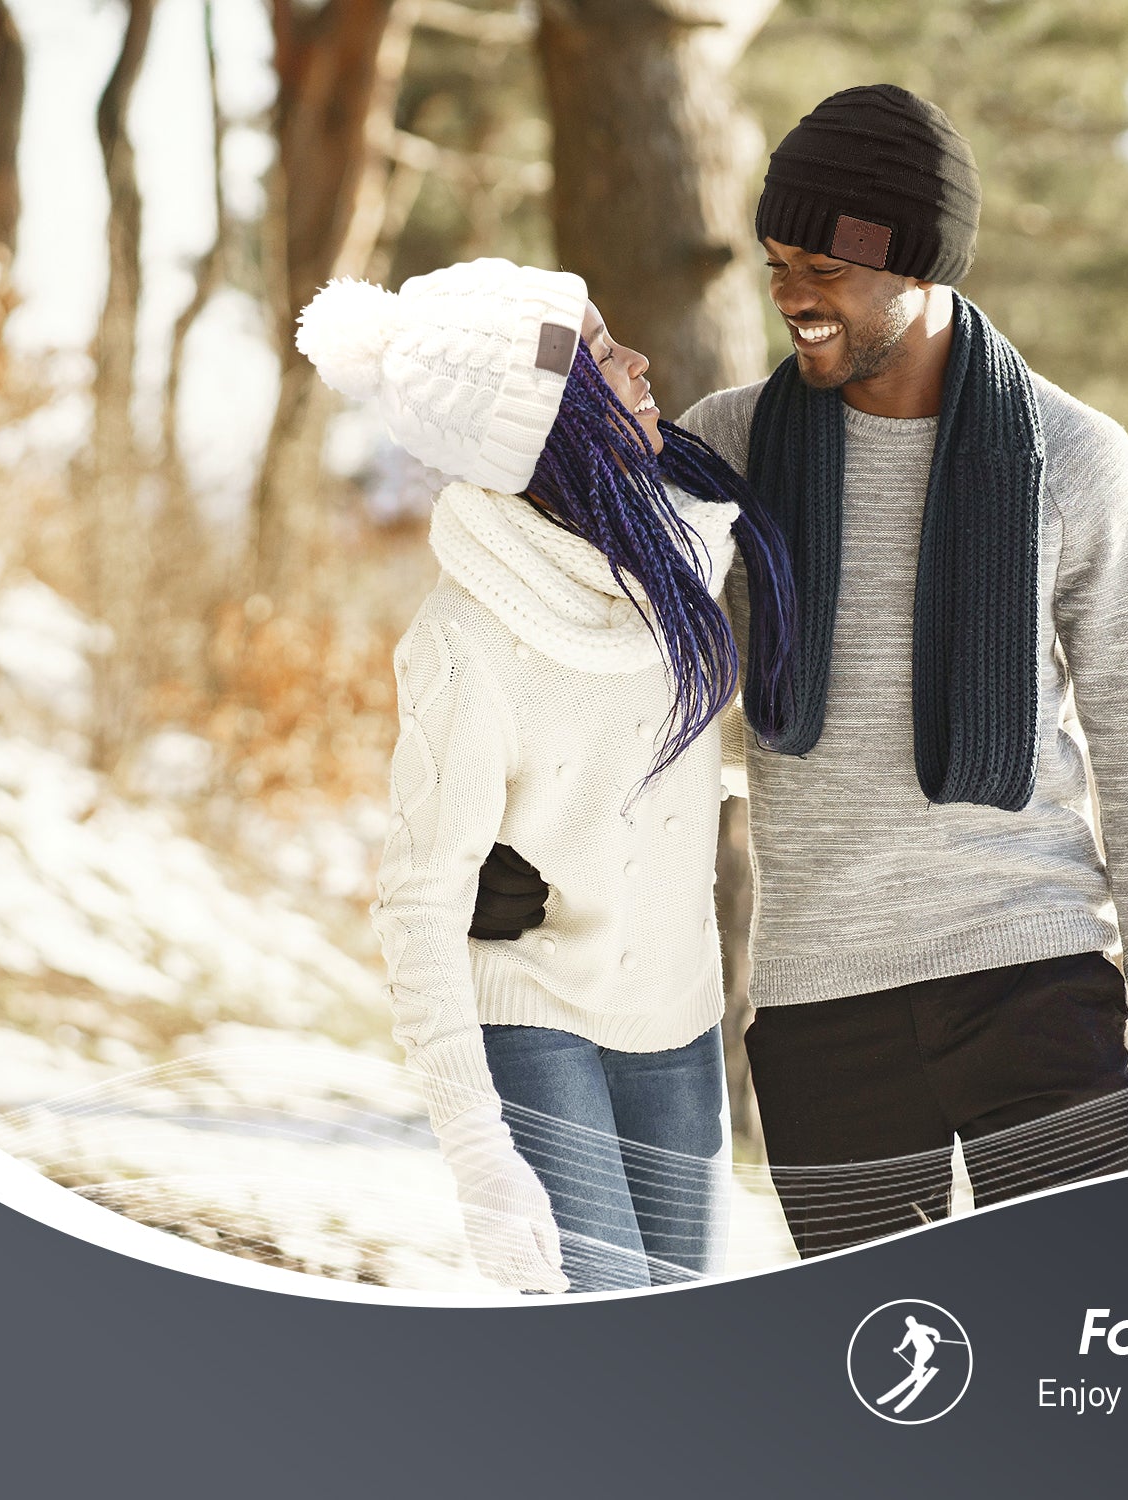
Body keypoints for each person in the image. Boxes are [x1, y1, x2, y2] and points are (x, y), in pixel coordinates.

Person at [672, 84, 1128, 1257]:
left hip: (1033, 980)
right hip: (821, 1001)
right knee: (884, 1393)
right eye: (778, 263)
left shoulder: (1072, 457)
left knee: (1071, 1362)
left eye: (823, 267)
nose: (791, 297)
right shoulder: (727, 448)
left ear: (916, 266)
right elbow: (614, 681)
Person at [296, 258, 795, 1292]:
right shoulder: (465, 639)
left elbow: (691, 761)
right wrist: (482, 1158)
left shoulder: (670, 568)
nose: (642, 362)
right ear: (550, 421)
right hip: (534, 1014)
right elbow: (420, 903)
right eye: (605, 355)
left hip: (676, 1013)